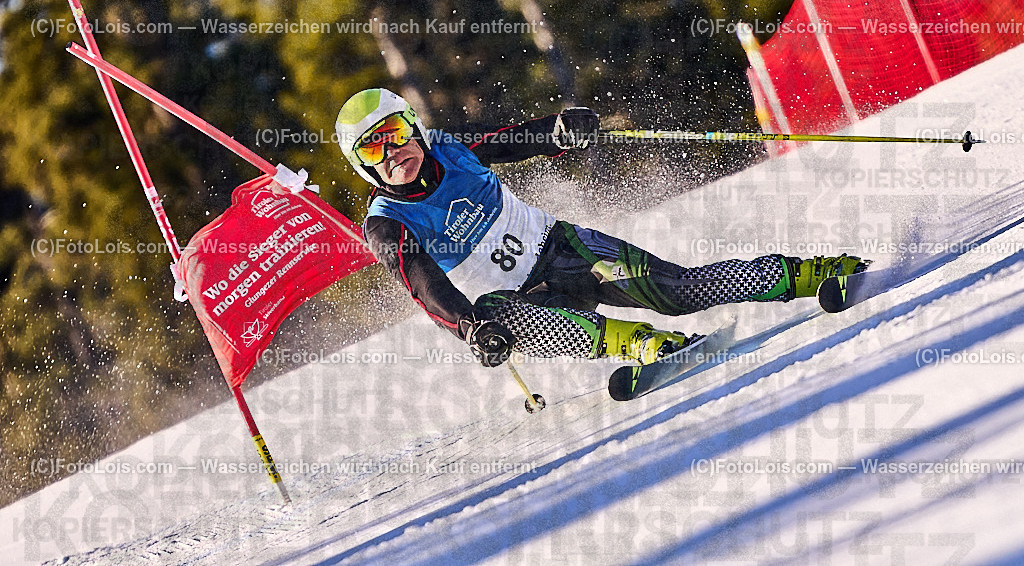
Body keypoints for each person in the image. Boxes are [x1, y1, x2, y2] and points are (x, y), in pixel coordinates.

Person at [335, 89, 866, 368]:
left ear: (413, 127)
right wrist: (469, 329)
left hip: (566, 250)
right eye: (373, 149)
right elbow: (424, 283)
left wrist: (561, 130)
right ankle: (639, 345)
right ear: (363, 166)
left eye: (395, 132)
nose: (392, 152)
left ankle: (804, 274)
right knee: (492, 311)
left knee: (676, 291)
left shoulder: (450, 146)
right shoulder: (386, 224)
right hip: (523, 305)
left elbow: (512, 140)